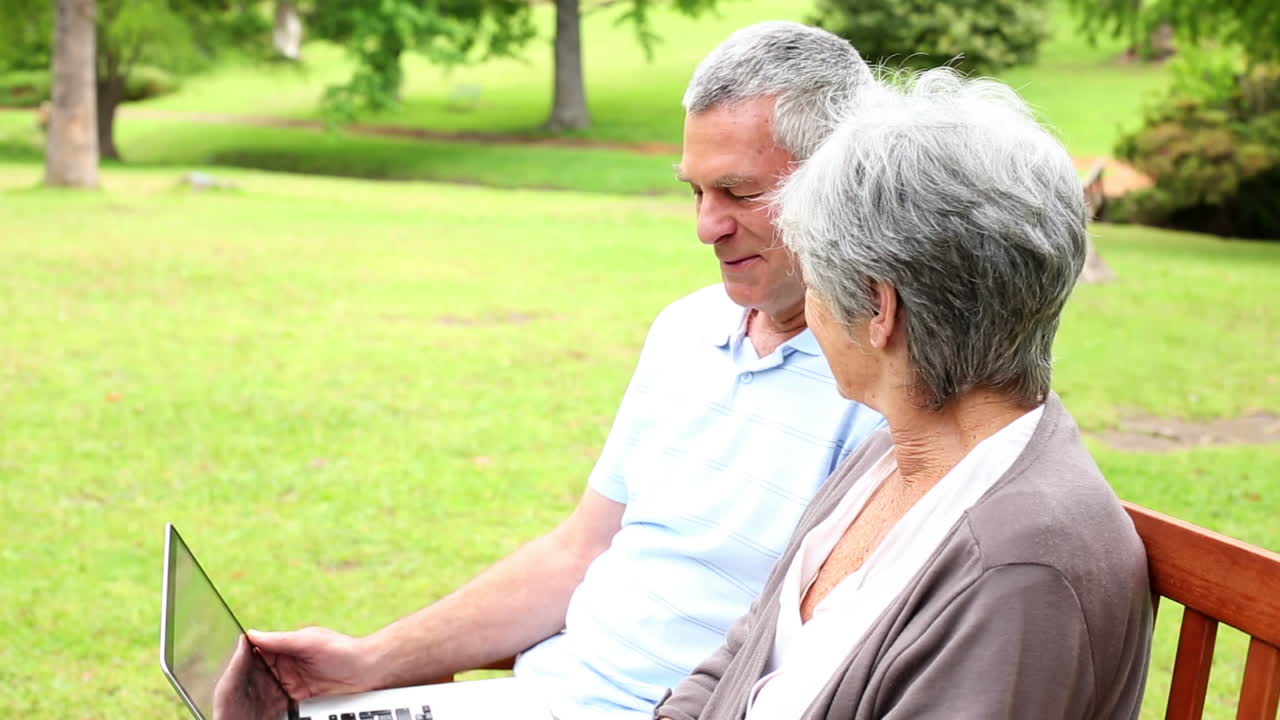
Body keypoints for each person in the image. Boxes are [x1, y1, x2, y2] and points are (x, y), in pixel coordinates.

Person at [250, 22, 885, 720]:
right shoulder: (686, 329)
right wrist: (368, 661)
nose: (707, 226)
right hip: (540, 694)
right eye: (695, 192)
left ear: (841, 184)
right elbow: (580, 551)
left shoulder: (886, 383)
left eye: (738, 193)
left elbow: (833, 664)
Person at [654, 69, 1154, 720]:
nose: (808, 304)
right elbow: (752, 648)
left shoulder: (1019, 574)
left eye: (815, 275)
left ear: (879, 309)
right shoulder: (897, 450)